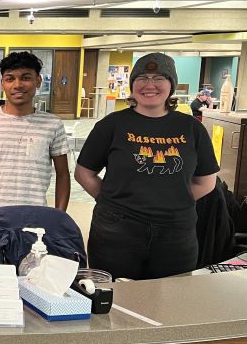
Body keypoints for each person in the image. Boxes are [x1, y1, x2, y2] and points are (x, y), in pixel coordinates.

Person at [75, 53, 219, 280]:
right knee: (113, 298)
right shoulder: (112, 125)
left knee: (170, 301)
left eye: (159, 77)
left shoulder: (191, 128)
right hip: (116, 231)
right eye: (142, 77)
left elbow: (206, 181)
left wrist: (173, 200)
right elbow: (84, 172)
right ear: (132, 85)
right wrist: (111, 201)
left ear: (171, 85)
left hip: (176, 233)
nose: (149, 85)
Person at [0, 51, 70, 219]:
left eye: (26, 78)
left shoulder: (53, 124)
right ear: (2, 83)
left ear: (38, 81)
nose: (17, 85)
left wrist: (58, 218)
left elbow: (63, 174)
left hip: (35, 220)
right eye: (10, 79)